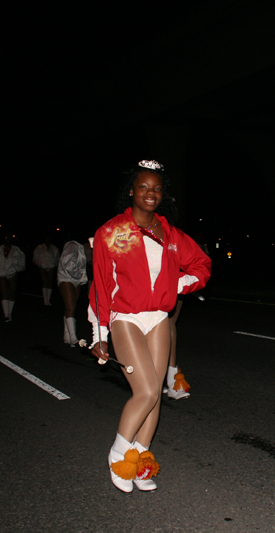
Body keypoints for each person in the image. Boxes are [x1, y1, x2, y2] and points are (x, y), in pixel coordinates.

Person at [88, 160, 211, 493]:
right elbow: (100, 283)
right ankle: (118, 457)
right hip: (125, 317)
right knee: (143, 391)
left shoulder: (170, 233)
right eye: (143, 187)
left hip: (157, 317)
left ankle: (140, 460)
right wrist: (99, 334)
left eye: (156, 188)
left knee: (155, 395)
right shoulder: (111, 232)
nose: (150, 193)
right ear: (131, 191)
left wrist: (177, 286)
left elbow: (202, 265)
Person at [57, 235, 89, 346]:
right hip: (66, 278)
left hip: (76, 280)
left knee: (71, 306)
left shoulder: (81, 248)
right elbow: (69, 265)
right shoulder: (72, 245)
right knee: (70, 306)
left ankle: (67, 335)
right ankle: (73, 337)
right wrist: (79, 275)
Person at [0, 235, 26, 322]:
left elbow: (22, 263)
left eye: (9, 238)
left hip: (12, 273)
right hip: (1, 273)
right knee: (4, 292)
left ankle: (10, 313)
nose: (7, 240)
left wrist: (15, 269)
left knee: (11, 293)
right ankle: (6, 314)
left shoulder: (17, 250)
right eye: (5, 238)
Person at [33, 236, 60, 306]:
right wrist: (40, 264)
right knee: (45, 281)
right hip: (42, 266)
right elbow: (35, 257)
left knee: (49, 282)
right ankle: (45, 300)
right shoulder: (39, 247)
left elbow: (57, 257)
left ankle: (48, 300)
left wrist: (54, 264)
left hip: (51, 266)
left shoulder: (54, 248)